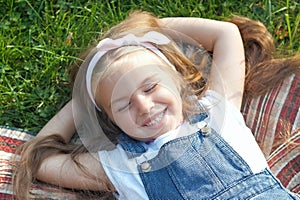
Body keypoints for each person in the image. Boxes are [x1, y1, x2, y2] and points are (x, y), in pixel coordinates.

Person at [12, 11, 300, 200]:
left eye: (150, 87)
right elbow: (41, 161)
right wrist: (81, 104)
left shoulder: (218, 110)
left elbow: (225, 34)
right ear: (111, 120)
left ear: (177, 81)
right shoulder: (120, 165)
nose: (144, 105)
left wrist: (145, 30)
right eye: (122, 105)